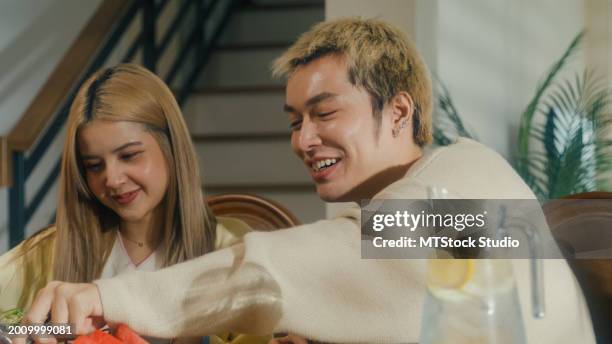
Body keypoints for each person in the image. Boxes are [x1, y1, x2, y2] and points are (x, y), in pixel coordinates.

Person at [18, 19, 595, 344]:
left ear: (398, 112)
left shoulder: (462, 190)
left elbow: (298, 263)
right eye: (295, 121)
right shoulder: (447, 185)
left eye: (324, 113)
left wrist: (103, 296)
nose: (302, 140)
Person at [0, 64, 268, 344]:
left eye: (129, 156)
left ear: (171, 147)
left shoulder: (231, 248)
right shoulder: (48, 251)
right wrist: (20, 332)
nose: (112, 179)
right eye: (94, 166)